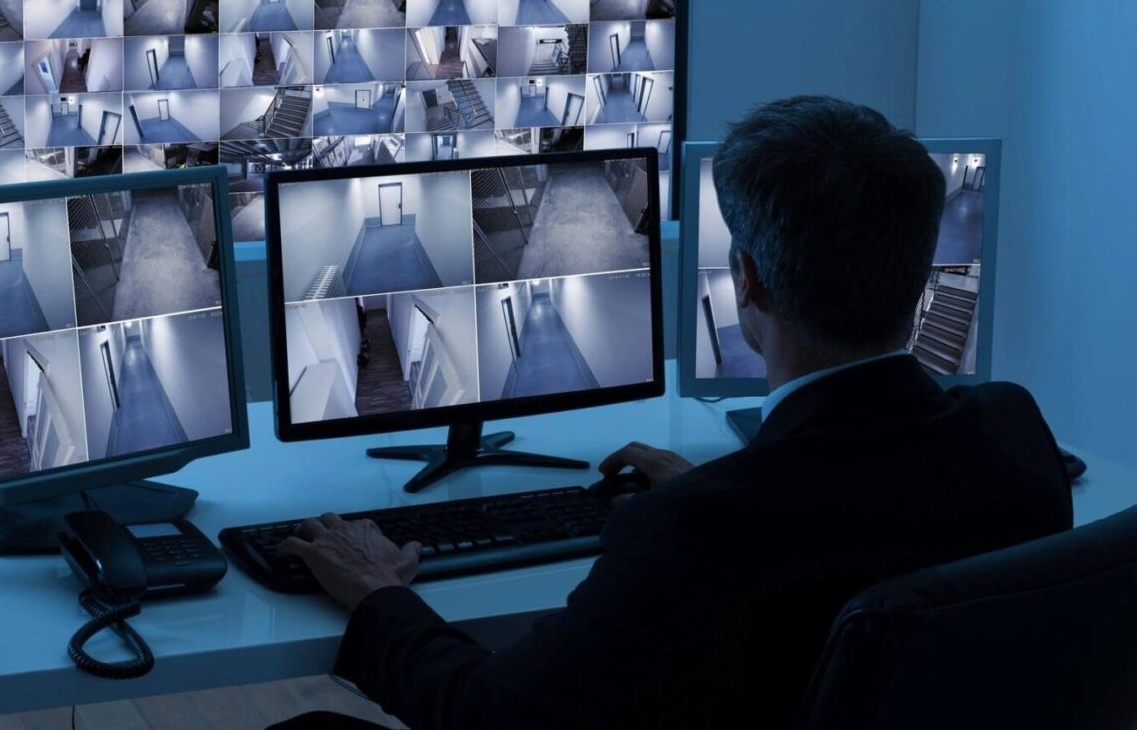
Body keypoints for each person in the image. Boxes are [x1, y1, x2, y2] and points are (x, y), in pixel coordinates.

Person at [276, 96, 1072, 729]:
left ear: (748, 282)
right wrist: (716, 491)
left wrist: (380, 594)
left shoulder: (694, 533)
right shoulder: (1011, 432)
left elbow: (488, 712)